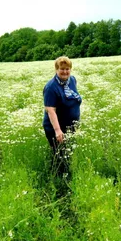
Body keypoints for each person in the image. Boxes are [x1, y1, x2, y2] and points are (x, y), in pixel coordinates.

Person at [42, 56, 82, 185]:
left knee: (68, 152)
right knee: (59, 155)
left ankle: (68, 175)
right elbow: (51, 110)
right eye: (61, 69)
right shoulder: (51, 87)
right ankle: (59, 181)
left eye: (67, 69)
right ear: (56, 70)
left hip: (71, 124)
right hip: (57, 127)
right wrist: (58, 130)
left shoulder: (72, 80)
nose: (65, 72)